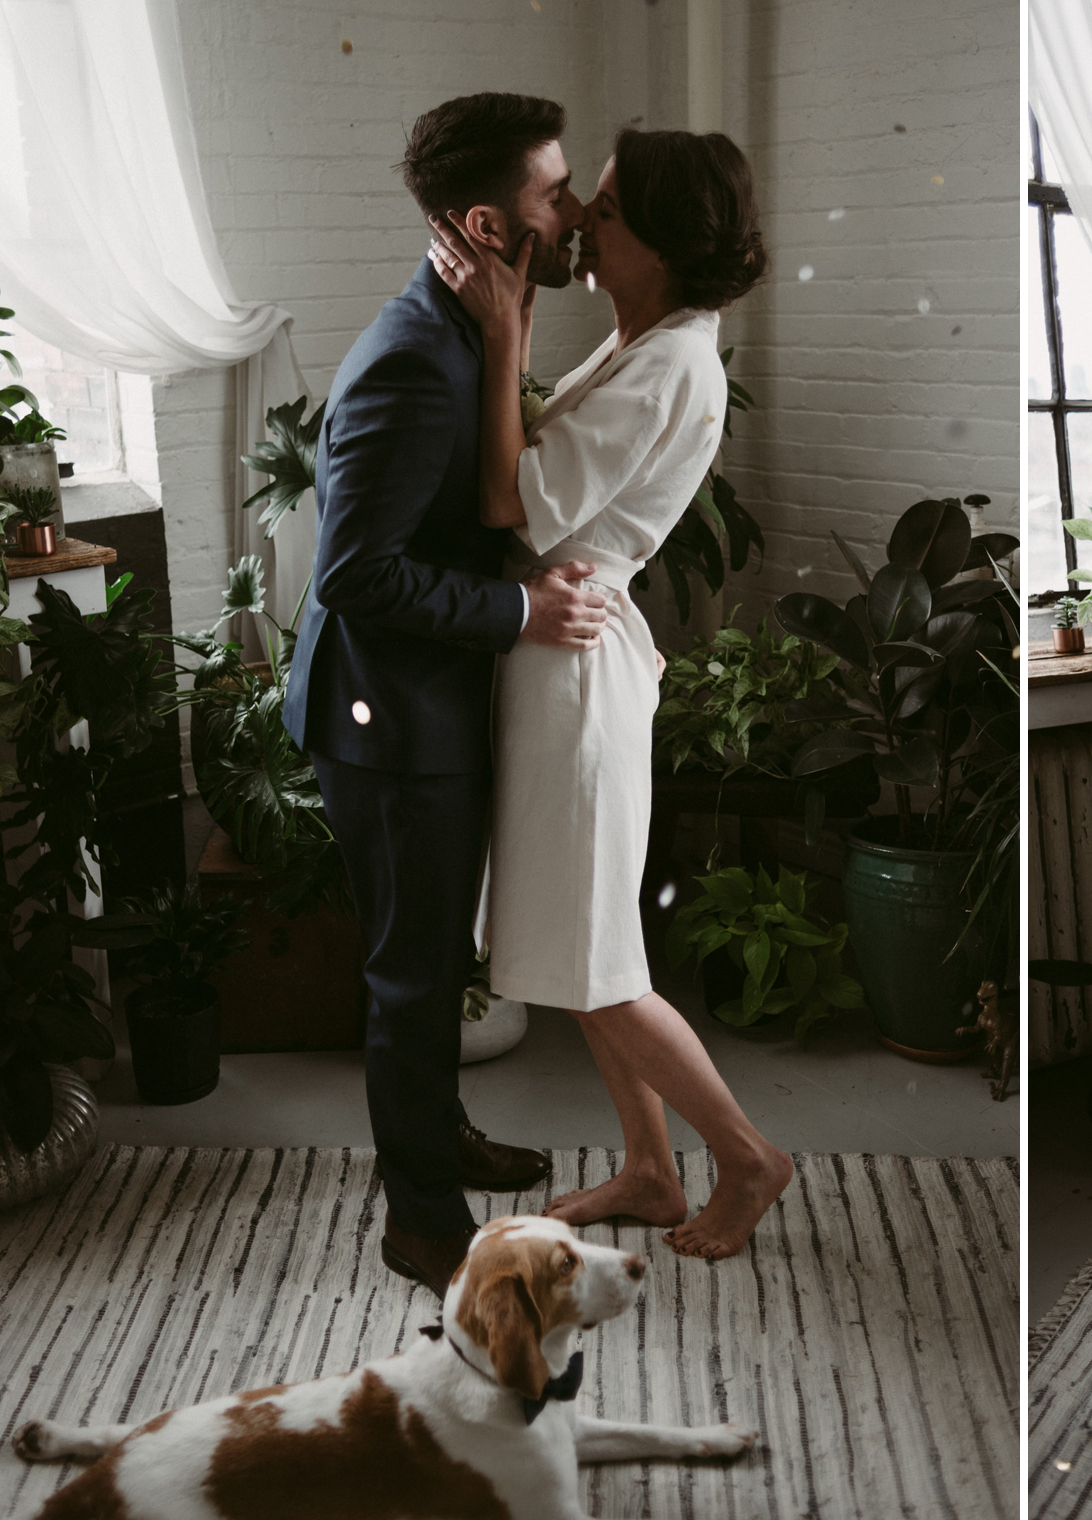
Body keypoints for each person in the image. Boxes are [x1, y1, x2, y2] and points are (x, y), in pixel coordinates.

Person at [427, 127, 793, 1261]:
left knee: (599, 960)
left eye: (614, 208)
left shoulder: (674, 360)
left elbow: (513, 505)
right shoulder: (642, 342)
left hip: (573, 674)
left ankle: (747, 1157)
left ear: (672, 244)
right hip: (554, 657)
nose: (583, 216)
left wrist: (501, 335)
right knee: (578, 944)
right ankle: (647, 1167)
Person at [282, 93, 612, 1298]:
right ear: (487, 219)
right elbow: (357, 574)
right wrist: (523, 612)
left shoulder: (479, 319)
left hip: (428, 708)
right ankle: (423, 1219)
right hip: (386, 724)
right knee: (411, 974)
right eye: (553, 191)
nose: (573, 211)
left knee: (433, 959)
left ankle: (438, 1139)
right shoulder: (418, 357)